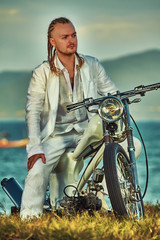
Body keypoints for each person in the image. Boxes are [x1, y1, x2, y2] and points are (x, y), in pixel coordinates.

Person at [20, 17, 121, 219]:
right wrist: (35, 147)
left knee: (129, 144)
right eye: (64, 37)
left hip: (87, 131)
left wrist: (115, 106)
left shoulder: (92, 64)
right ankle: (30, 218)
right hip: (56, 135)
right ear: (52, 42)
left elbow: (112, 93)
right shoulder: (42, 73)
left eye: (73, 35)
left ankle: (102, 198)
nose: (71, 40)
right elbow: (33, 110)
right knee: (38, 170)